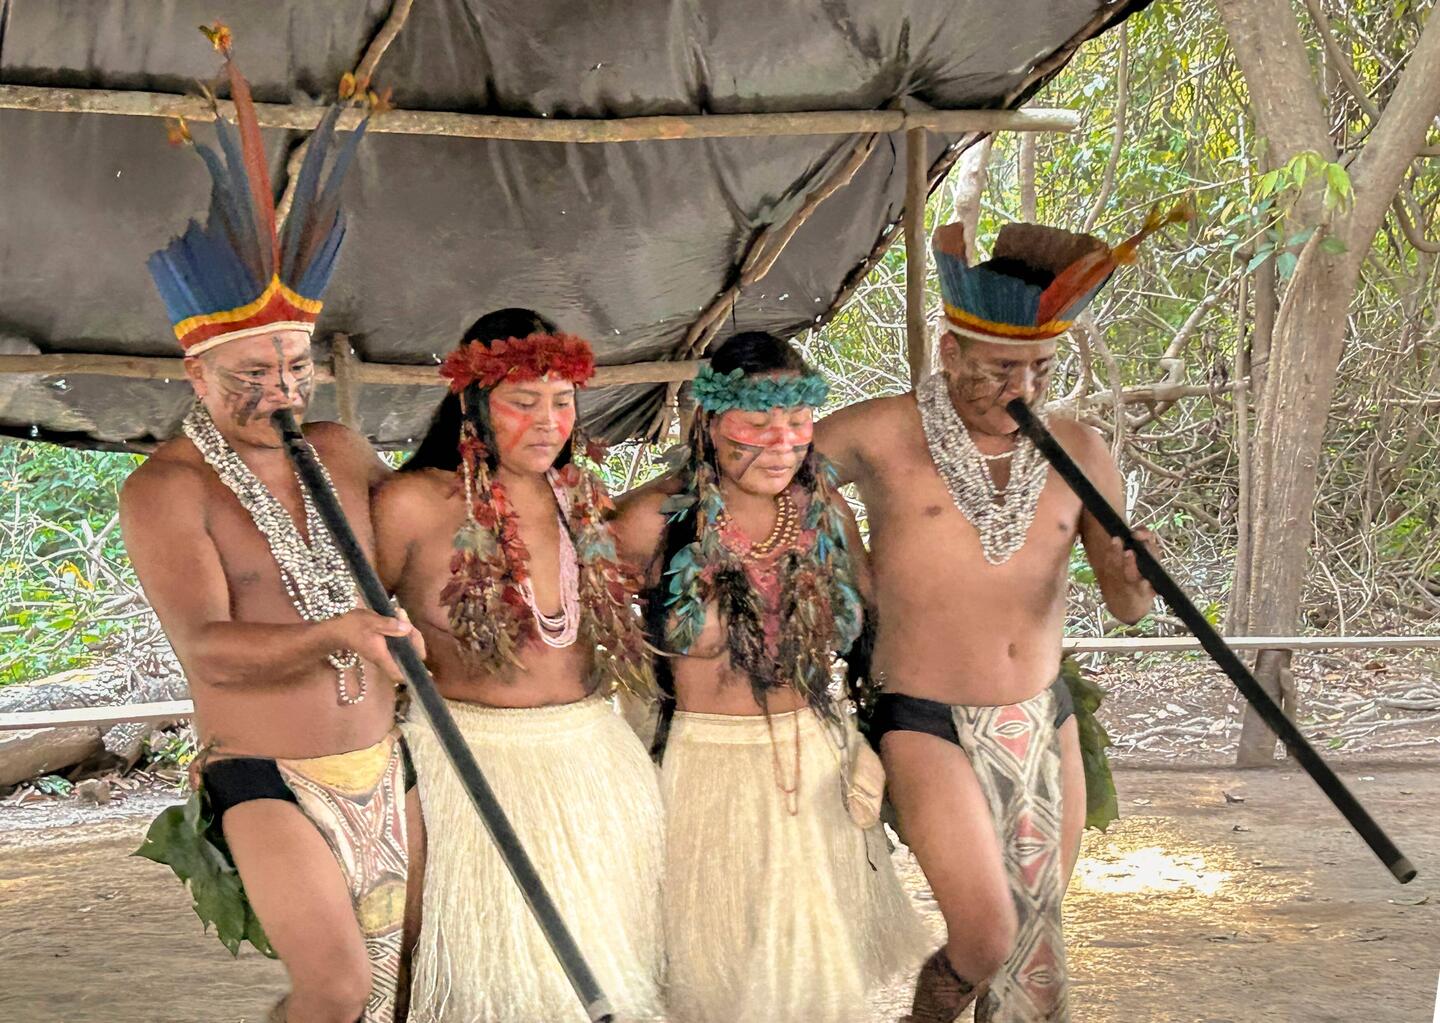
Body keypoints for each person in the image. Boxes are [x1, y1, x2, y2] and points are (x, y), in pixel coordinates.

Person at [815, 209, 1184, 1022]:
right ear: (949, 352)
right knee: (986, 936)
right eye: (1000, 368)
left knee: (1036, 952)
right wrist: (844, 554)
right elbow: (769, 471)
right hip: (923, 714)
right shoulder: (881, 432)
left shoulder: (1081, 451)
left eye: (1040, 369)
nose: (1023, 389)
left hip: (1044, 717)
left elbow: (1126, 608)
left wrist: (1131, 574)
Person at [123, 26, 422, 1023]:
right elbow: (208, 648)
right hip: (266, 768)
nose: (281, 392)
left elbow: (407, 557)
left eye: (294, 367)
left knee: (413, 975)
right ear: (194, 373)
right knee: (336, 990)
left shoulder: (339, 451)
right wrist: (336, 635)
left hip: (385, 752)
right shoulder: (167, 490)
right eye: (253, 375)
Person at [609, 331, 929, 1023]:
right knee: (716, 981)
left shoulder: (826, 516)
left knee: (809, 976)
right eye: (758, 423)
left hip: (814, 762)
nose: (782, 442)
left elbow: (879, 630)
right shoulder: (648, 521)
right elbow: (575, 636)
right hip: (701, 770)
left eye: (798, 423)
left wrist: (877, 735)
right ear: (710, 421)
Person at [374, 308, 664, 1022]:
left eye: (563, 401)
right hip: (467, 766)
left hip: (593, 762)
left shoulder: (585, 504)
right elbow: (355, 627)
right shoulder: (413, 504)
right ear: (474, 403)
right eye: (523, 402)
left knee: (595, 976)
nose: (548, 421)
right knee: (483, 978)